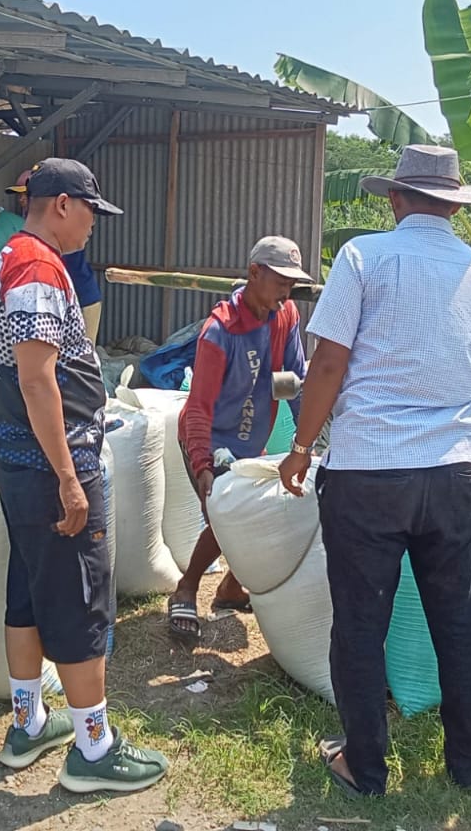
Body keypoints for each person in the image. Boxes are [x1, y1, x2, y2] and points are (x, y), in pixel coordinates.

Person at [278, 145, 471, 797]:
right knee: (459, 623)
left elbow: (327, 363)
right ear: (453, 205)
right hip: (454, 469)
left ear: (396, 199)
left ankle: (364, 766)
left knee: (360, 624)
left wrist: (301, 446)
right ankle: (470, 760)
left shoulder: (362, 257)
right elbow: (470, 361)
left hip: (369, 470)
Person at [0, 157, 169, 793]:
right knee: (81, 598)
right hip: (48, 464)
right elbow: (37, 379)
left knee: (30, 587)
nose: (93, 224)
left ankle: (29, 723)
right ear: (62, 204)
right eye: (91, 210)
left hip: (18, 456)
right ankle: (94, 748)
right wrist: (67, 476)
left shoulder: (12, 257)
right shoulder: (35, 267)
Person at [167, 236, 311, 641]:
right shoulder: (220, 332)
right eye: (280, 282)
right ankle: (186, 588)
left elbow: (292, 380)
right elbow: (199, 406)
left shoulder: (284, 316)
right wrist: (202, 464)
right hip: (209, 438)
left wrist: (305, 441)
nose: (286, 293)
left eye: (291, 285)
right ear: (254, 273)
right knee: (225, 519)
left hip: (247, 441)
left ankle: (231, 586)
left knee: (254, 515)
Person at [7, 168, 104, 345]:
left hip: (84, 299)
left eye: (25, 194)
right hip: (70, 300)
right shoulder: (31, 230)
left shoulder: (52, 239)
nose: (21, 199)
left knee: (83, 353)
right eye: (19, 195)